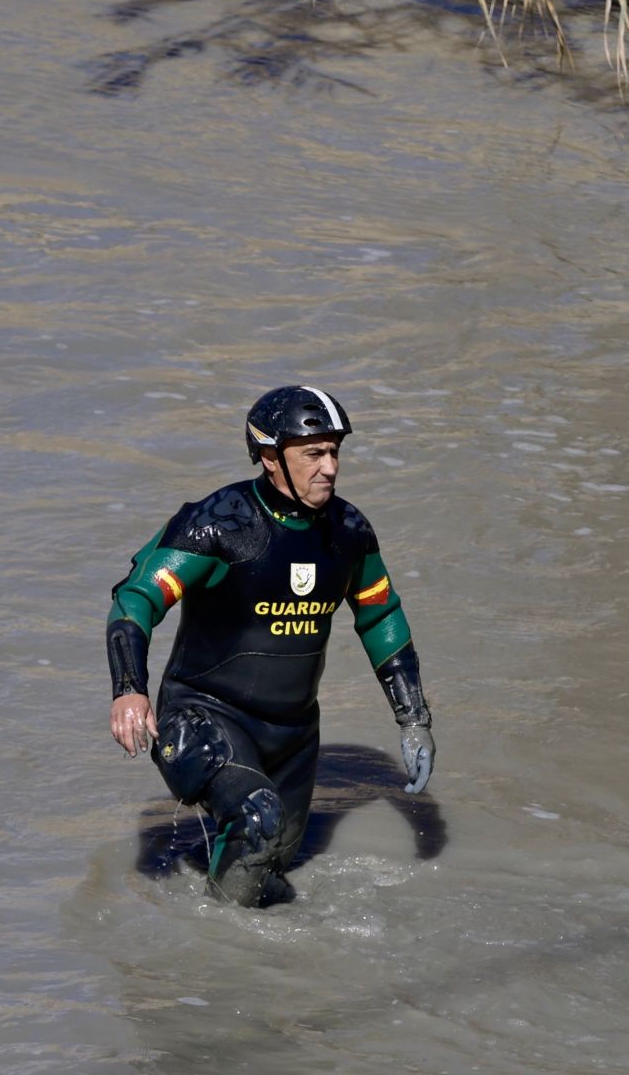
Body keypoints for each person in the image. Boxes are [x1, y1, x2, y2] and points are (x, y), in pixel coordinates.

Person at [104, 385, 435, 906]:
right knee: (256, 817)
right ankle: (218, 962)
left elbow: (380, 616)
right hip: (203, 714)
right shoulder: (217, 524)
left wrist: (413, 718)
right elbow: (135, 599)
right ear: (269, 457)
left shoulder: (348, 532)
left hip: (294, 733)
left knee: (273, 870)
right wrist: (129, 689)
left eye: (334, 452)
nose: (329, 468)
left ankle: (248, 957)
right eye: (313, 454)